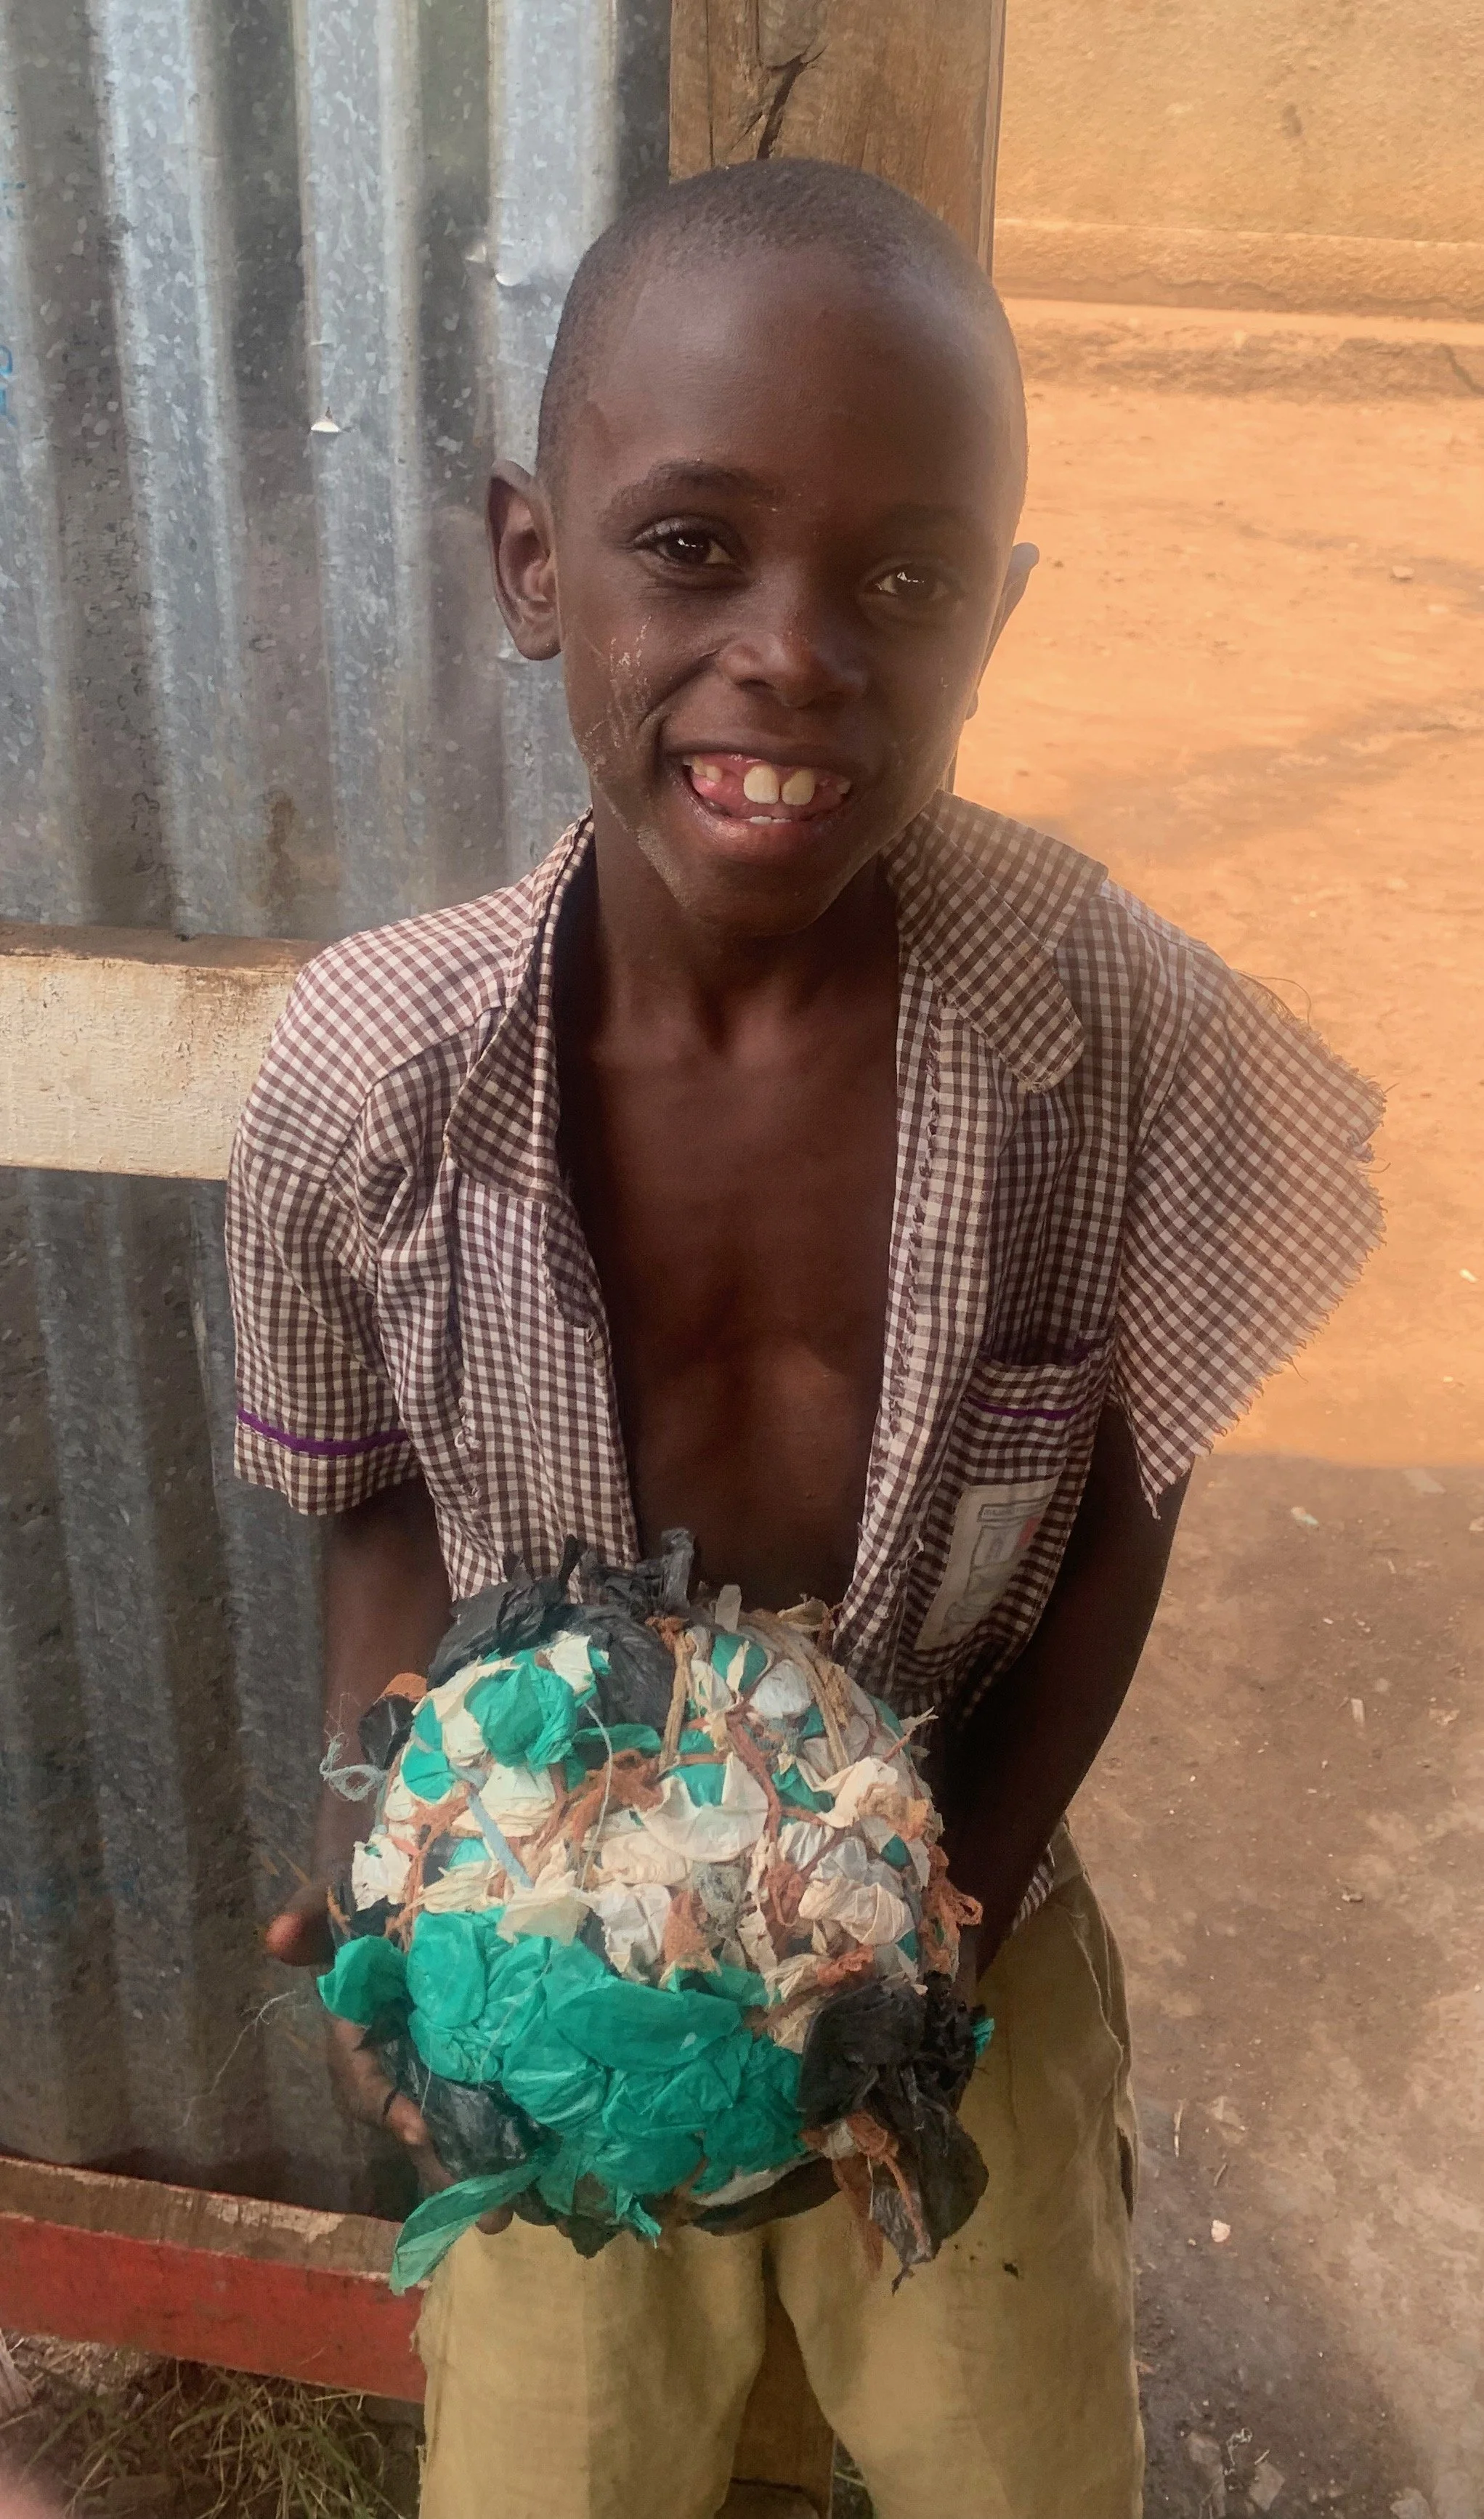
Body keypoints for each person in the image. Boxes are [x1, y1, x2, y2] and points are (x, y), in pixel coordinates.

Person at [227, 159, 1382, 2519]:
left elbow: (1131, 1510)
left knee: (1016, 2458)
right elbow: (364, 1495)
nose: (793, 650)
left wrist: (936, 1935)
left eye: (906, 581)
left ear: (998, 616)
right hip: (560, 1968)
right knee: (557, 2465)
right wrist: (394, 1835)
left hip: (973, 1924)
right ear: (532, 559)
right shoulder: (366, 1076)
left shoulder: (1131, 1040)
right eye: (692, 549)